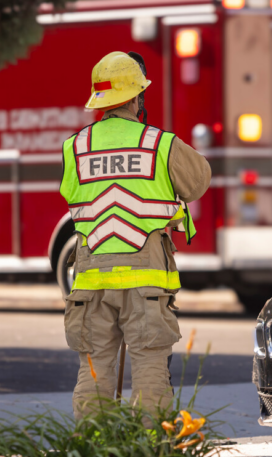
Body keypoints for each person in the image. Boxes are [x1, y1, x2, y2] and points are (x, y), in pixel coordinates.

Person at [60, 51, 211, 419]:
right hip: (145, 282)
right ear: (136, 97)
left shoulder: (75, 147)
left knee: (94, 374)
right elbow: (199, 180)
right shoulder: (159, 143)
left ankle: (93, 455)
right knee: (149, 376)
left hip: (91, 281)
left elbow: (71, 194)